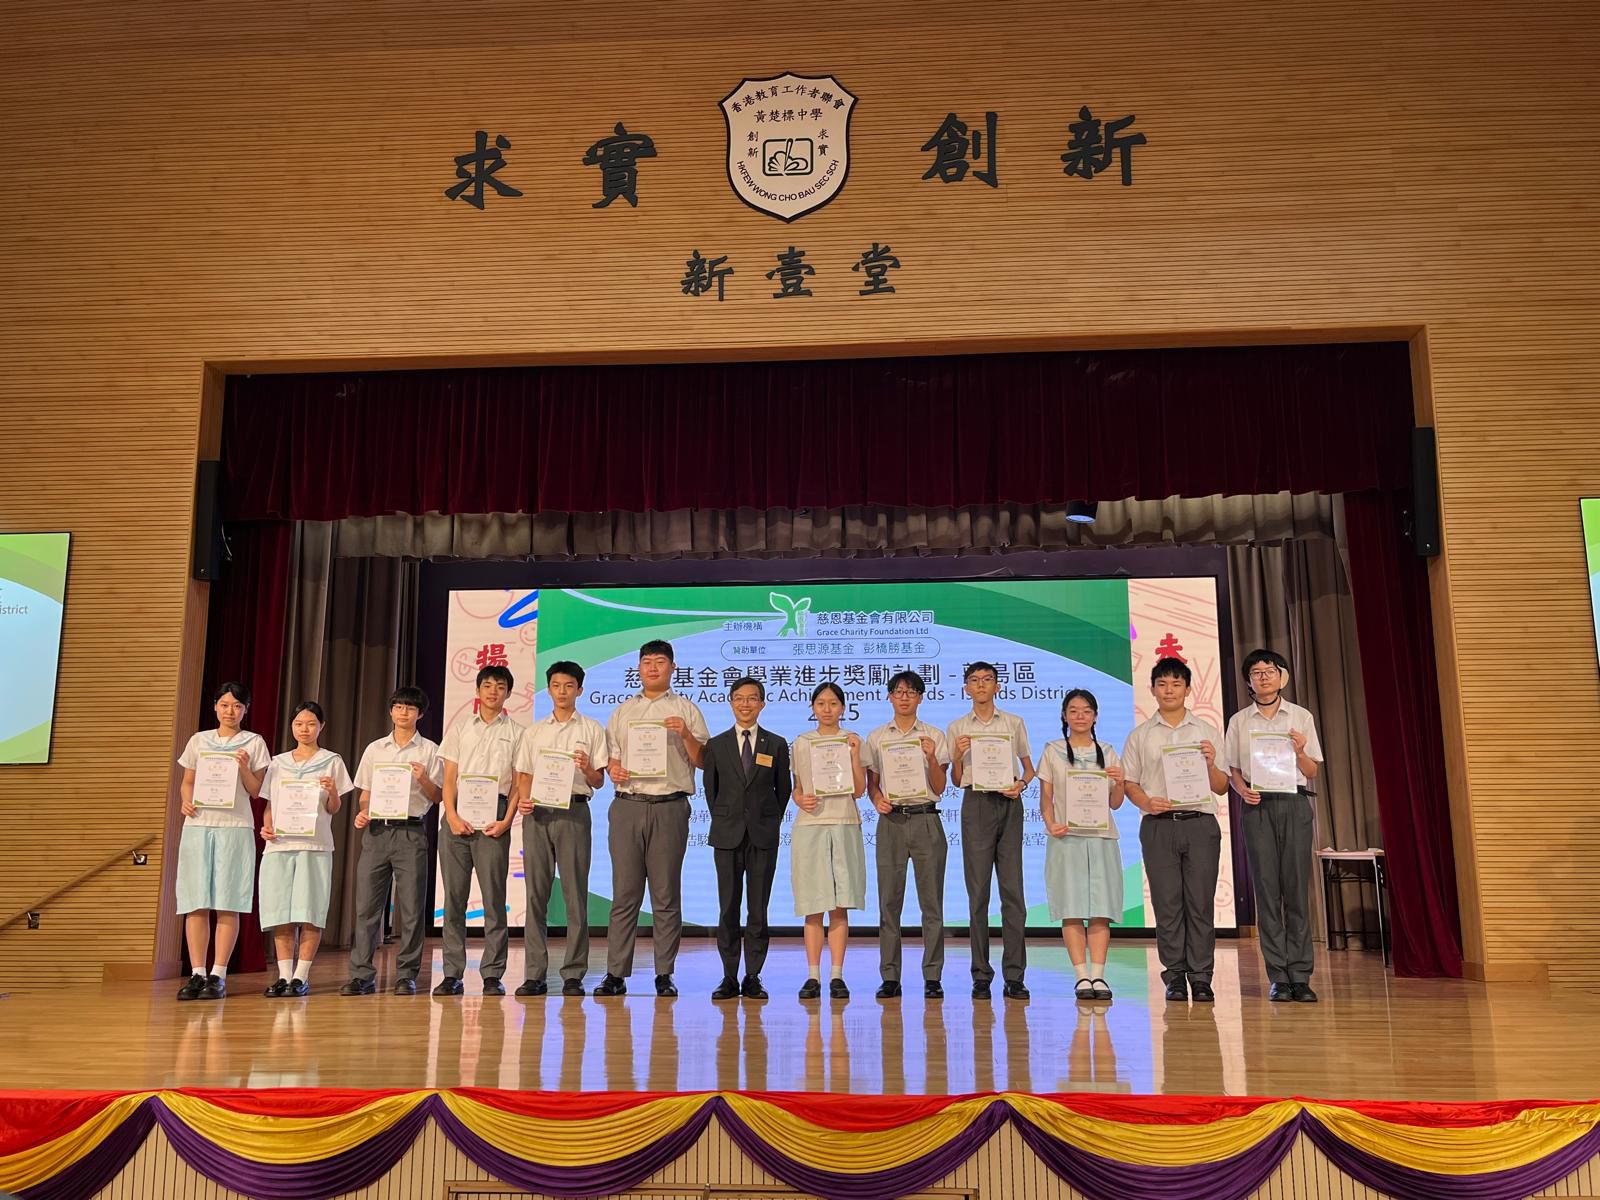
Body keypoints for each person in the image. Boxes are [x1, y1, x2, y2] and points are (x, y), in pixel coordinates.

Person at [597, 639, 710, 997]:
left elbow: (704, 761)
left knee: (665, 894)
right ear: (638, 668)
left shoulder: (686, 709)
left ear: (672, 668)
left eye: (660, 661)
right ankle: (616, 974)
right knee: (624, 894)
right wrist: (614, 769)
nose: (652, 667)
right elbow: (612, 758)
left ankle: (664, 973)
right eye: (646, 661)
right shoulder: (623, 711)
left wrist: (686, 734)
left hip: (669, 807)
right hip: (627, 806)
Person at [1121, 657, 1230, 1003]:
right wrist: (1146, 801)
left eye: (1176, 684)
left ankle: (1202, 976)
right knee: (1167, 904)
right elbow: (1129, 783)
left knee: (1200, 903)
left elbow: (1222, 786)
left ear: (1188, 689)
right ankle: (1175, 975)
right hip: (1158, 826)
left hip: (1200, 825)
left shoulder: (1206, 731)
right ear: (1152, 689)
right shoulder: (1140, 735)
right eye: (1162, 684)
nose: (1169, 690)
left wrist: (1210, 764)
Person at [1223, 649, 1325, 1003]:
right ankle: (1278, 976)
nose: (1263, 676)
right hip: (1257, 806)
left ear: (1282, 677)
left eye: (1269, 670)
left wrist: (1300, 751)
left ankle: (1301, 975)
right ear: (1248, 681)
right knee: (1266, 892)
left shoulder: (1300, 716)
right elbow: (1232, 770)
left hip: (1293, 803)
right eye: (1256, 672)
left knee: (1296, 890)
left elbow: (1312, 771)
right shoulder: (1239, 721)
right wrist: (1242, 791)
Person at [513, 660, 609, 998]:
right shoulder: (534, 731)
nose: (562, 691)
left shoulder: (592, 729)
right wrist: (524, 800)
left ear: (579, 690)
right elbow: (524, 774)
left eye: (569, 686)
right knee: (536, 896)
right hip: (537, 815)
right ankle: (534, 974)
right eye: (556, 685)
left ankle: (573, 974)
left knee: (575, 894)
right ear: (549, 689)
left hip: (574, 812)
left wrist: (587, 768)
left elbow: (599, 780)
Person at [340, 686, 442, 996]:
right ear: (391, 711)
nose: (403, 712)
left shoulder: (430, 750)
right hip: (377, 832)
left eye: (410, 708)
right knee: (366, 907)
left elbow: (438, 796)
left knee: (411, 909)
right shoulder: (375, 749)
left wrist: (423, 778)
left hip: (411, 831)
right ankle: (361, 975)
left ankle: (406, 975)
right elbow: (365, 794)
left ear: (420, 714)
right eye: (398, 707)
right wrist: (364, 812)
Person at [175, 681, 271, 1001]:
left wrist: (242, 767)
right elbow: (187, 782)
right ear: (215, 706)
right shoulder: (199, 740)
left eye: (237, 706)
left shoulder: (253, 742)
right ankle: (197, 973)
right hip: (198, 826)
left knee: (229, 901)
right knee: (196, 900)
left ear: (246, 710)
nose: (231, 711)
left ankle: (218, 974)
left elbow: (257, 790)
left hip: (235, 827)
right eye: (225, 705)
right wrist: (186, 801)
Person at [947, 661, 1036, 1000]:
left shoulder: (1013, 722)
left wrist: (1021, 785)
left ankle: (1015, 976)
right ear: (966, 688)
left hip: (1009, 803)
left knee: (1013, 891)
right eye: (974, 680)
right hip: (976, 804)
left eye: (987, 679)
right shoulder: (958, 727)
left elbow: (1028, 768)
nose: (981, 685)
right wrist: (957, 757)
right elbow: (956, 780)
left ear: (998, 686)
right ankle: (981, 975)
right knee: (978, 892)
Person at [860, 670, 951, 1000]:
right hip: (891, 823)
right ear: (889, 697)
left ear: (920, 698)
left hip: (926, 819)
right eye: (898, 692)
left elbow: (941, 786)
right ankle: (890, 976)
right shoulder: (876, 737)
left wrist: (931, 758)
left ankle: (933, 976)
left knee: (932, 904)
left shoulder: (934, 735)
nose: (904, 697)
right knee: (889, 903)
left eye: (911, 692)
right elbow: (872, 785)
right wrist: (876, 801)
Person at [702, 677, 792, 1000]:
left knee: (758, 908)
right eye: (739, 698)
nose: (745, 704)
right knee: (727, 907)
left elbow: (784, 790)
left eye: (752, 698)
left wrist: (765, 820)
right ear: (730, 702)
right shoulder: (716, 744)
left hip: (763, 836)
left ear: (762, 704)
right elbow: (711, 791)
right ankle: (729, 976)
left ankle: (753, 975)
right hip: (726, 835)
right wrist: (730, 817)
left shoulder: (776, 743)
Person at [436, 664, 522, 996]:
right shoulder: (460, 729)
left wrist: (507, 820)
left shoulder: (517, 732)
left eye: (500, 687)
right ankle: (452, 974)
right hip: (457, 818)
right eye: (487, 685)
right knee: (454, 900)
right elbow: (449, 779)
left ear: (508, 694)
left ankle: (492, 974)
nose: (493, 691)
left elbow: (518, 783)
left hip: (494, 818)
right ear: (477, 690)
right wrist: (451, 815)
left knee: (494, 899)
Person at [258, 701, 353, 997]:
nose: (304, 729)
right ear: (292, 727)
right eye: (299, 724)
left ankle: (301, 976)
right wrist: (267, 828)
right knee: (281, 912)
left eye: (311, 724)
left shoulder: (331, 761)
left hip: (315, 845)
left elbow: (334, 808)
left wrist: (332, 790)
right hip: (279, 846)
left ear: (321, 727)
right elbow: (270, 805)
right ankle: (284, 976)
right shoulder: (278, 763)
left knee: (310, 910)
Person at [1037, 689, 1126, 1001]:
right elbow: (1045, 798)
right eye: (1073, 710)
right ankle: (1081, 977)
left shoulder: (1109, 752)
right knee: (1071, 908)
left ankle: (1098, 975)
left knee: (1101, 909)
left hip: (1102, 838)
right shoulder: (1052, 751)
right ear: (1064, 715)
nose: (1080, 716)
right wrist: (1050, 824)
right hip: (1066, 839)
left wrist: (1121, 781)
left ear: (1095, 716)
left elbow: (1116, 803)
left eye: (1086, 711)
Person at [789, 681, 867, 1000]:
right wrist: (799, 798)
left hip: (844, 822)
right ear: (812, 708)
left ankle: (837, 975)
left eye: (833, 703)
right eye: (821, 703)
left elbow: (859, 790)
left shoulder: (853, 740)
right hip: (810, 825)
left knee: (839, 903)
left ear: (843, 708)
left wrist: (855, 754)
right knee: (813, 904)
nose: (827, 709)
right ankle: (812, 976)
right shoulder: (801, 742)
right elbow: (796, 787)